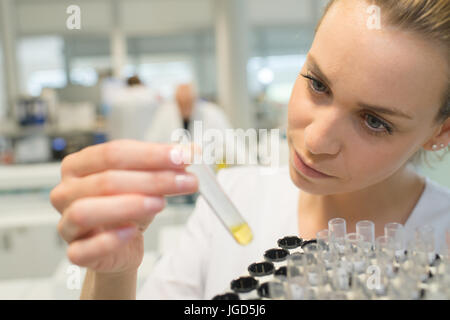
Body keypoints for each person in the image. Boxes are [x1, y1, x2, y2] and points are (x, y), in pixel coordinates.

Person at [50, 0, 450, 300]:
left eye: (375, 121)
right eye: (318, 84)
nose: (314, 141)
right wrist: (115, 274)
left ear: (440, 132)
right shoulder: (234, 197)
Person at [144, 83, 232, 144]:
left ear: (195, 99)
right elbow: (152, 142)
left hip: (206, 168)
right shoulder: (164, 113)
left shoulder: (212, 113)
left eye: (188, 102)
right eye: (181, 103)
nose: (185, 107)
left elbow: (232, 144)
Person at [105, 75, 160, 141]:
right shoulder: (150, 95)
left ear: (127, 84)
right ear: (140, 82)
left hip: (123, 140)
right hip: (146, 139)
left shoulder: (118, 97)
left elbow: (113, 122)